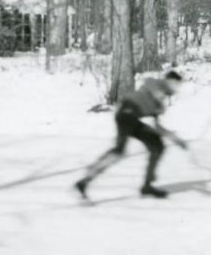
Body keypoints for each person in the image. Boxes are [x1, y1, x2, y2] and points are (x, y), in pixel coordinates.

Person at [75, 71, 188, 200]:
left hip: (134, 119)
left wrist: (175, 139)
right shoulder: (155, 85)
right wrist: (159, 93)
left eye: (178, 85)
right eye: (175, 84)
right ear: (169, 81)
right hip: (126, 113)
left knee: (157, 145)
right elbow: (149, 82)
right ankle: (84, 181)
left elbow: (156, 126)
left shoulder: (160, 104)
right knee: (119, 151)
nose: (177, 88)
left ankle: (147, 186)